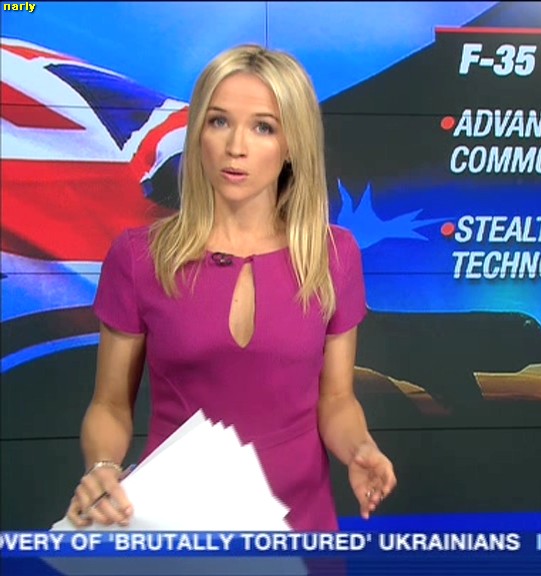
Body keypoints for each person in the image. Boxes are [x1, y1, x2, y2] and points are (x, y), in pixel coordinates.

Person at [63, 44, 397, 532]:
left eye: (263, 127)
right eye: (219, 121)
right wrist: (102, 467)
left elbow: (337, 400)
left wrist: (360, 448)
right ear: (198, 132)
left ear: (292, 144)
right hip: (176, 527)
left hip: (300, 526)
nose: (235, 146)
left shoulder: (334, 255)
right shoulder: (140, 257)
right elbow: (110, 405)